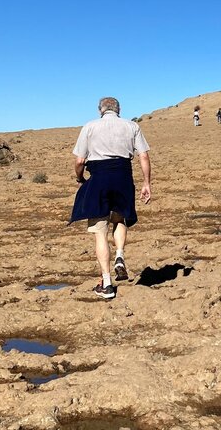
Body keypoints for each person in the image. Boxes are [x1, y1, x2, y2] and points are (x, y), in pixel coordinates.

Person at [69, 97, 152, 299]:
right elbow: (143, 156)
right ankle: (120, 255)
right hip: (123, 178)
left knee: (100, 232)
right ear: (119, 110)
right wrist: (146, 183)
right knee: (120, 218)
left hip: (99, 179)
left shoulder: (90, 126)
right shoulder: (132, 126)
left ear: (100, 110)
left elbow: (80, 161)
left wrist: (80, 177)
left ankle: (106, 284)